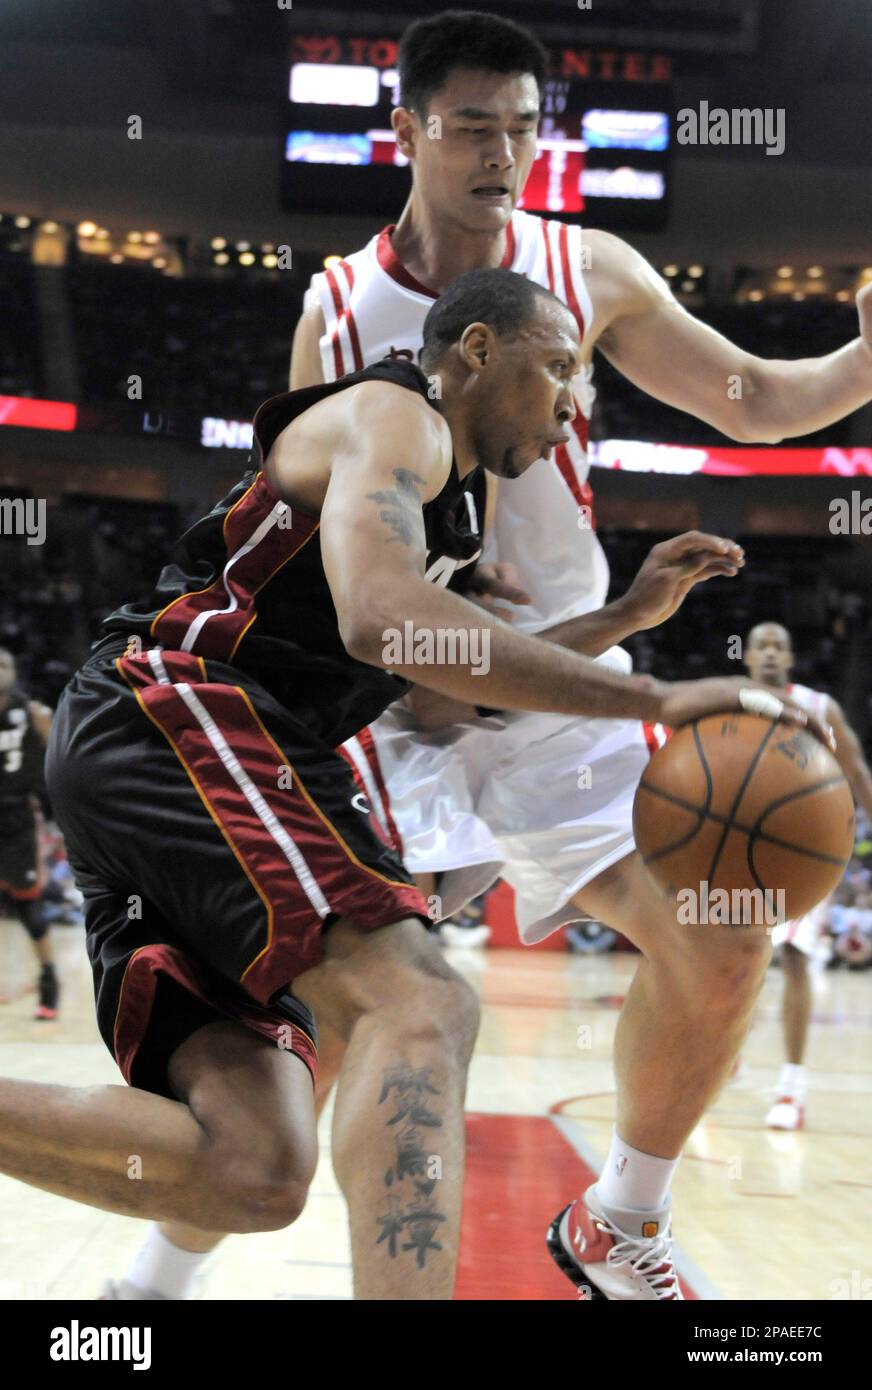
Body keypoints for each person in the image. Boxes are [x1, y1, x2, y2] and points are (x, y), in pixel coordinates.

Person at [120, 7, 870, 1301]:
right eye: (472, 127)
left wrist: (865, 357)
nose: (503, 154)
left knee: (728, 921)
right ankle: (150, 1284)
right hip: (393, 706)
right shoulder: (340, 309)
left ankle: (619, 1218)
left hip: (568, 687)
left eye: (524, 129)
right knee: (339, 1035)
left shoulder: (588, 267)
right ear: (403, 131)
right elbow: (292, 549)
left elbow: (755, 401)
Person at [2, 270, 793, 1304]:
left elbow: (432, 694)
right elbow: (383, 618)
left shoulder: (445, 512)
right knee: (419, 1003)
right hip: (182, 704)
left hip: (191, 743)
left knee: (254, 1169)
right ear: (474, 349)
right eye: (557, 365)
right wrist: (650, 692)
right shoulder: (394, 418)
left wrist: (624, 620)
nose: (571, 401)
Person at [743, 622, 872, 1131]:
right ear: (748, 658)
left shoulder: (820, 708)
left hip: (809, 847)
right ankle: (724, 1053)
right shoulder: (727, 704)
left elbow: (858, 774)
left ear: (791, 657)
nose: (771, 653)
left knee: (795, 954)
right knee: (737, 961)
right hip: (741, 848)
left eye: (779, 645)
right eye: (761, 646)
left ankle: (791, 1088)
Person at [0, 648, 58, 1020]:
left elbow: (58, 758)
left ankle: (49, 984)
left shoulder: (34, 713)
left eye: (2, 664)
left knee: (29, 909)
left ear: (14, 671)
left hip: (18, 817)